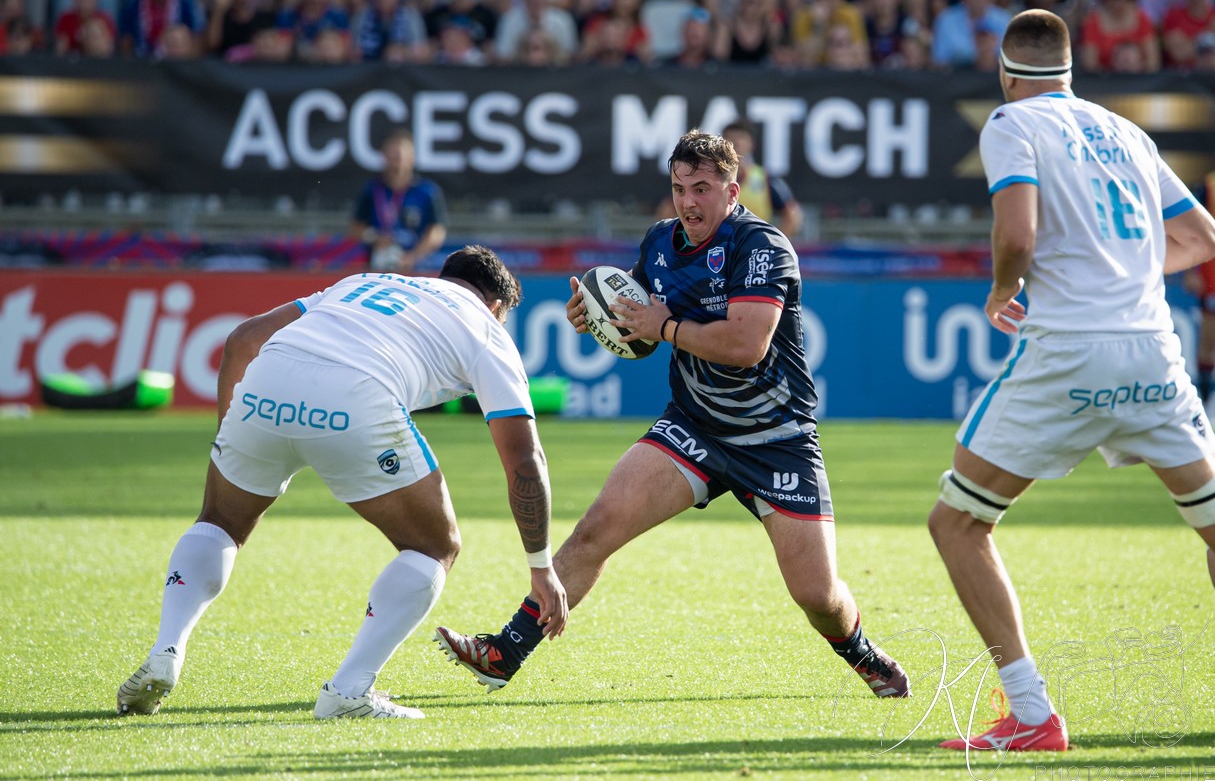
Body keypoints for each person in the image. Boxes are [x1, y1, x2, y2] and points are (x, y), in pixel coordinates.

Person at [433, 130, 911, 701]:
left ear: (732, 191)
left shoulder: (762, 246)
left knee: (817, 595)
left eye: (703, 188)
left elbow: (746, 344)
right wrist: (599, 317)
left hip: (776, 439)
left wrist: (662, 326)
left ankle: (861, 653)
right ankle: (504, 653)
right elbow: (640, 323)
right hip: (694, 426)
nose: (688, 201)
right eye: (680, 187)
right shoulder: (661, 242)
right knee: (594, 531)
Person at [116, 245, 568, 719]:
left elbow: (243, 338)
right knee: (434, 546)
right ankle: (348, 691)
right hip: (356, 396)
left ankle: (166, 652)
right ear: (496, 306)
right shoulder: (485, 330)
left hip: (266, 382)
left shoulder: (364, 282)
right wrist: (540, 566)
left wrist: (232, 439)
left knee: (220, 523)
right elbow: (523, 458)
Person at [927, 9, 1215, 753]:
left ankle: (1030, 713)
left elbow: (1016, 233)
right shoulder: (1125, 131)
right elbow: (1200, 238)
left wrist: (1001, 289)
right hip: (1152, 350)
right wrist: (1113, 271)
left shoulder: (1010, 124)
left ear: (1003, 71)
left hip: (1067, 353)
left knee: (958, 521)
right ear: (1068, 70)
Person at [350, 130, 448, 273]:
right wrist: (374, 237)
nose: (398, 160)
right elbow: (355, 228)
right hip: (378, 268)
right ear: (384, 157)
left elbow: (437, 232)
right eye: (393, 155)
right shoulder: (373, 190)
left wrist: (413, 256)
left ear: (412, 158)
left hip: (417, 269)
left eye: (401, 155)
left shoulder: (427, 191)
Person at [1184, 170, 1215, 406]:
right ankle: (1206, 403)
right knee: (1209, 339)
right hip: (1211, 273)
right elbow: (1190, 229)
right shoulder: (1208, 185)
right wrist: (1191, 271)